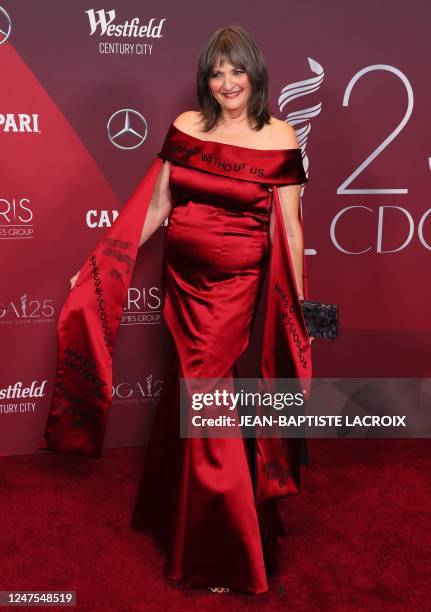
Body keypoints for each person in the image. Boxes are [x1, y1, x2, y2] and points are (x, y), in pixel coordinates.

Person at [40, 25, 313, 595]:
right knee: (192, 389)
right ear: (205, 80)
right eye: (216, 72)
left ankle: (222, 549)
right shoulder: (188, 128)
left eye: (237, 70)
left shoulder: (280, 136)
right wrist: (98, 267)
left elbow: (288, 228)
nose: (227, 82)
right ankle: (177, 515)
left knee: (207, 392)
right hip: (182, 282)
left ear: (255, 74)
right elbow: (158, 205)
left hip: (236, 284)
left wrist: (300, 310)